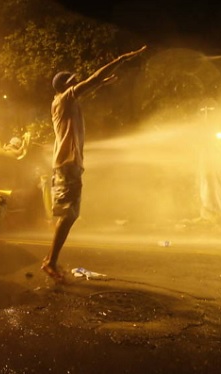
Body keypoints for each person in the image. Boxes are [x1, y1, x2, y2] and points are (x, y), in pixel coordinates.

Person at [42, 46, 147, 282]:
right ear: (66, 86)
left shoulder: (66, 102)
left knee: (69, 215)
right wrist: (121, 57)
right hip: (67, 164)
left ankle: (50, 260)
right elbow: (93, 79)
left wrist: (101, 84)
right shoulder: (63, 99)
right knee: (68, 215)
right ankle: (49, 261)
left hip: (70, 164)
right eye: (73, 82)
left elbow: (92, 85)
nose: (77, 84)